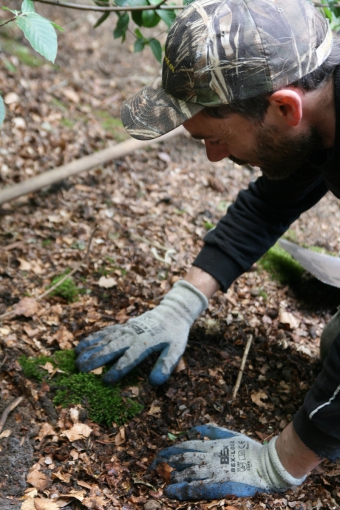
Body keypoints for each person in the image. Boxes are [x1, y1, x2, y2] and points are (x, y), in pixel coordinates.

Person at [75, 0, 340, 501]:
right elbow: (269, 205)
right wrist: (180, 305)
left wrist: (280, 462)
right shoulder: (316, 95)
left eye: (214, 139)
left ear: (285, 107)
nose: (214, 157)